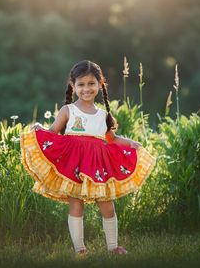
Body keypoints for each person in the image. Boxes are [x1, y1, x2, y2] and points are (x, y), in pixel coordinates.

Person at [20, 60, 156, 255]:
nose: (86, 89)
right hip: (74, 166)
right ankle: (80, 250)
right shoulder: (68, 111)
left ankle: (113, 246)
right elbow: (53, 132)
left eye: (91, 83)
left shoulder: (103, 115)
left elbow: (112, 138)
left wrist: (130, 143)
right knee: (76, 205)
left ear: (100, 84)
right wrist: (40, 130)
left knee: (107, 206)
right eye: (81, 84)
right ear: (73, 86)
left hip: (98, 166)